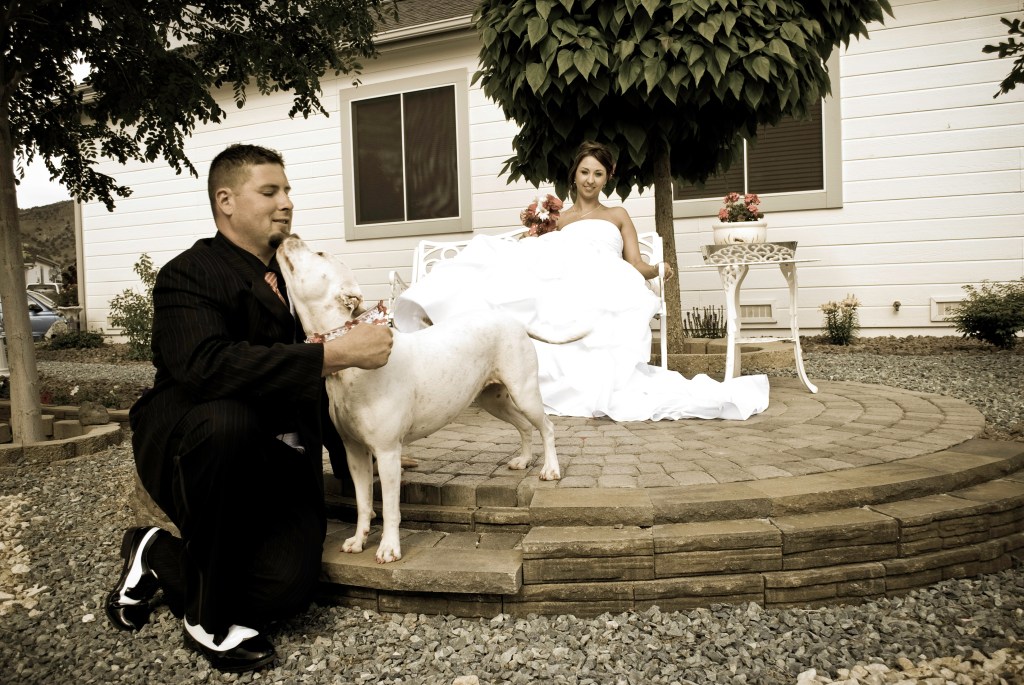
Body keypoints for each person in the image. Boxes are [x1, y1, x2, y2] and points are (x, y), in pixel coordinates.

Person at [105, 144, 393, 673]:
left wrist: (361, 443)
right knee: (229, 419)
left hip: (277, 455)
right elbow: (206, 367)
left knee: (285, 592)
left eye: (287, 191)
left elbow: (319, 385)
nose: (286, 203)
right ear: (226, 201)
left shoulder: (294, 276)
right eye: (269, 192)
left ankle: (155, 552)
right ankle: (207, 618)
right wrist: (335, 354)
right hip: (199, 446)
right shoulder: (187, 274)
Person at [393, 141, 769, 421]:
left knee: (594, 303)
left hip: (605, 280)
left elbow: (635, 263)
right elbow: (541, 255)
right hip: (563, 280)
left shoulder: (617, 215)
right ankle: (439, 321)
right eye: (585, 172)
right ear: (574, 173)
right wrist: (534, 234)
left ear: (607, 178)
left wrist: (658, 269)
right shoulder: (559, 219)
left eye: (598, 174)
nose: (590, 180)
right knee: (496, 264)